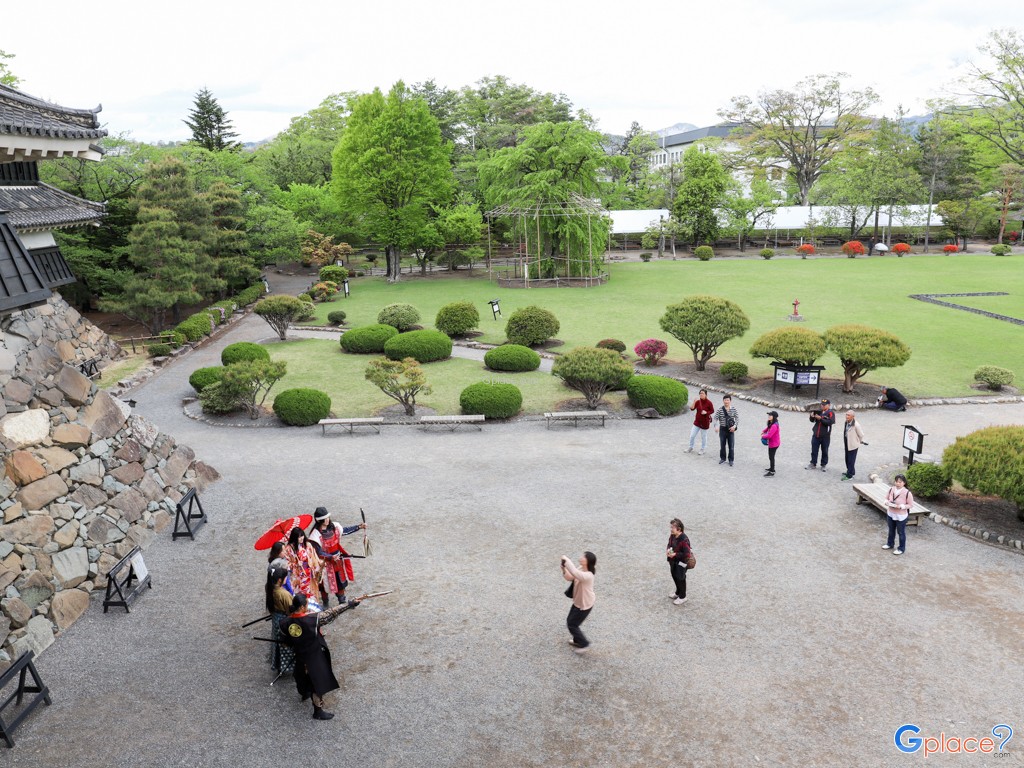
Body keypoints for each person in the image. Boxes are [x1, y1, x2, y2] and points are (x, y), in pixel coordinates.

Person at [280, 593, 360, 720]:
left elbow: (285, 642)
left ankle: (306, 693)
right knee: (317, 683)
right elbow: (331, 613)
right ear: (302, 607)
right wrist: (349, 604)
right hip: (314, 657)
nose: (307, 606)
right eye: (306, 604)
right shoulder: (312, 620)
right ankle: (318, 711)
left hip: (300, 656)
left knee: (303, 677)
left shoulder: (284, 623)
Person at [308, 507, 365, 607]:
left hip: (337, 561)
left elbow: (344, 531)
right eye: (324, 519)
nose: (327, 520)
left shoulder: (334, 527)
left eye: (328, 517)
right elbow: (318, 552)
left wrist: (358, 527)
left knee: (340, 582)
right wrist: (331, 557)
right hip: (324, 564)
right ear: (319, 520)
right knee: (323, 585)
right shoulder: (315, 536)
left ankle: (342, 601)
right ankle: (325, 602)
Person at [561, 551, 596, 653]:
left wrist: (566, 560)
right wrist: (564, 569)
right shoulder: (581, 568)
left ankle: (585, 644)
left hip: (585, 605)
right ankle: (577, 640)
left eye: (583, 557)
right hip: (578, 602)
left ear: (587, 561)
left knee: (572, 624)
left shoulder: (588, 575)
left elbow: (575, 573)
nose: (581, 557)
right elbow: (570, 577)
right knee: (571, 621)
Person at [265, 567, 296, 676]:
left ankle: (278, 666)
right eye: (285, 578)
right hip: (284, 620)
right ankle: (289, 666)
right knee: (287, 643)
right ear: (279, 580)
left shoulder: (269, 587)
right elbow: (291, 610)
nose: (286, 579)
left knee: (277, 642)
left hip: (276, 618)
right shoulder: (283, 594)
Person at [284, 526, 324, 608]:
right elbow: (286, 563)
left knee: (312, 591)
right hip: (298, 575)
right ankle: (303, 608)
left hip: (309, 572)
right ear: (294, 537)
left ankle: (313, 607)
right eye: (299, 537)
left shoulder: (307, 545)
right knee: (301, 593)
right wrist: (295, 564)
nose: (301, 538)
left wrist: (317, 566)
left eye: (302, 535)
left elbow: (314, 557)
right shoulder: (288, 549)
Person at [883, 474, 914, 555]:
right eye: (896, 481)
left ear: (904, 483)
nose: (898, 483)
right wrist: (886, 502)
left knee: (901, 532)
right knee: (891, 530)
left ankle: (901, 548)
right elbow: (886, 498)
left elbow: (910, 505)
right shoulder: (891, 489)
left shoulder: (907, 493)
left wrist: (902, 506)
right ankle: (890, 544)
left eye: (900, 482)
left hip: (901, 516)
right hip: (891, 513)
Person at [666, 519, 691, 605]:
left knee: (681, 578)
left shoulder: (684, 540)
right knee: (674, 576)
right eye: (671, 527)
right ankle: (678, 593)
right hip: (673, 561)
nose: (671, 529)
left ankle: (683, 597)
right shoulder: (673, 535)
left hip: (681, 563)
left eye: (673, 527)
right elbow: (669, 544)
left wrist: (675, 554)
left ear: (679, 529)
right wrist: (668, 550)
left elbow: (687, 554)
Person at [806, 398, 835, 472]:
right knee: (814, 450)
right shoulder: (818, 411)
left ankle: (823, 465)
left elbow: (830, 422)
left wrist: (820, 419)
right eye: (822, 404)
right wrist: (811, 416)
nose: (822, 406)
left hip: (825, 436)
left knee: (825, 450)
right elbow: (812, 420)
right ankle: (813, 463)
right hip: (816, 434)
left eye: (824, 405)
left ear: (829, 405)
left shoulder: (830, 413)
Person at [686, 389, 715, 455]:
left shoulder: (709, 403)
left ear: (706, 395)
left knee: (703, 437)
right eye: (700, 393)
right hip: (697, 422)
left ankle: (703, 449)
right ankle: (691, 447)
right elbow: (692, 409)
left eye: (703, 393)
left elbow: (712, 410)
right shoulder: (698, 402)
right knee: (692, 435)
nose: (701, 394)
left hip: (705, 423)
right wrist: (694, 402)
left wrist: (706, 412)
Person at [713, 395, 739, 466]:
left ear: (730, 401)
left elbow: (737, 418)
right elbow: (715, 418)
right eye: (725, 400)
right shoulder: (720, 409)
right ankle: (723, 458)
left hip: (731, 430)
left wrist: (734, 426)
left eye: (728, 400)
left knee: (731, 446)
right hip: (722, 429)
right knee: (722, 445)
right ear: (723, 401)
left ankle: (731, 460)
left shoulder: (734, 409)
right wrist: (716, 426)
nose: (726, 401)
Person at [841, 411, 866, 481]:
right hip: (847, 443)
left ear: (853, 417)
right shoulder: (846, 422)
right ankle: (851, 471)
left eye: (848, 415)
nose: (847, 416)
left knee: (851, 460)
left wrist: (858, 441)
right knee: (847, 458)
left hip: (853, 445)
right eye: (846, 415)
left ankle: (849, 476)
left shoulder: (856, 425)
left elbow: (861, 435)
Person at [761, 411, 780, 477]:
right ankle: (771, 468)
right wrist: (764, 431)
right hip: (772, 443)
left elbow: (769, 435)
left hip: (774, 444)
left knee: (771, 457)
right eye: (768, 415)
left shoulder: (774, 425)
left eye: (770, 415)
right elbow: (768, 428)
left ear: (774, 417)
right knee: (770, 456)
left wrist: (763, 436)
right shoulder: (771, 423)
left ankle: (772, 471)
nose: (769, 416)